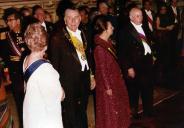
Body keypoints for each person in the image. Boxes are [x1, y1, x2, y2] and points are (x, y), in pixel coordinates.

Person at [49, 6, 95, 128]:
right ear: (65, 20)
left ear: (80, 19)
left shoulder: (84, 33)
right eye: (69, 18)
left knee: (82, 111)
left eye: (76, 18)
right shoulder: (57, 39)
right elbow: (54, 66)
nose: (73, 21)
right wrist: (58, 87)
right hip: (68, 83)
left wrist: (91, 76)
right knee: (71, 116)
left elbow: (87, 57)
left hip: (84, 80)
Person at [23, 23, 65, 128]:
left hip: (31, 112)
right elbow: (60, 96)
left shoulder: (25, 60)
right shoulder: (46, 68)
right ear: (46, 46)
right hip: (44, 119)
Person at [93, 15, 130, 128]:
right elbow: (102, 69)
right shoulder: (99, 48)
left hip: (115, 80)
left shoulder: (108, 42)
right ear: (104, 28)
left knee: (118, 109)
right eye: (110, 26)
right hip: (108, 85)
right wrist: (108, 87)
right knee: (110, 112)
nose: (113, 27)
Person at [117, 7, 154, 119]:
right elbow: (122, 52)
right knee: (134, 91)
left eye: (141, 15)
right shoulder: (125, 31)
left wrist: (152, 55)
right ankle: (134, 113)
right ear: (131, 17)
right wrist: (128, 67)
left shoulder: (145, 27)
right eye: (137, 16)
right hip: (135, 64)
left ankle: (148, 111)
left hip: (146, 62)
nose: (141, 18)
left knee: (148, 88)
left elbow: (148, 42)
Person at [2, 7, 29, 127]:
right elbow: (3, 59)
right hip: (15, 75)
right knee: (20, 104)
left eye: (10, 20)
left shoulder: (27, 34)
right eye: (7, 20)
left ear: (18, 21)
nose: (8, 22)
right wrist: (7, 75)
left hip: (28, 73)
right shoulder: (5, 37)